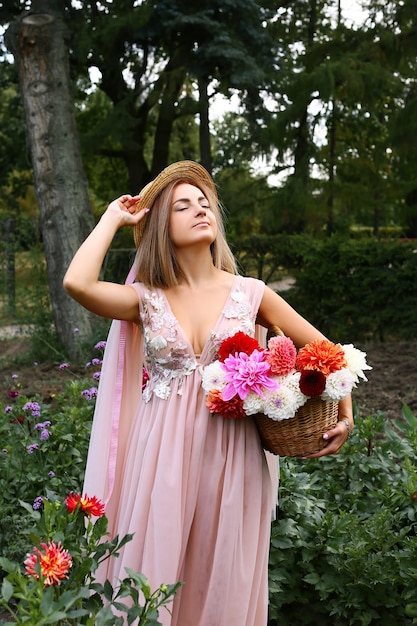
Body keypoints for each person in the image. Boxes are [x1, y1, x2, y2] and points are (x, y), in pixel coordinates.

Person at [63, 160, 353, 626]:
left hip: (232, 452)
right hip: (159, 455)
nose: (200, 209)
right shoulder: (145, 299)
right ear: (161, 223)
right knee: (152, 573)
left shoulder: (251, 293)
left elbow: (326, 352)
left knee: (223, 575)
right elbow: (77, 283)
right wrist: (112, 218)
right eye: (183, 205)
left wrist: (345, 412)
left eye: (205, 202)